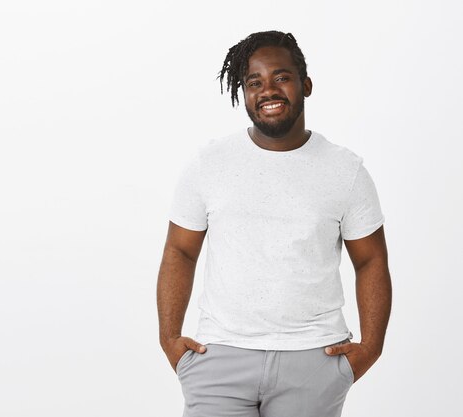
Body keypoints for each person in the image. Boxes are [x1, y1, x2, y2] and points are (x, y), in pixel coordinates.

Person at [156, 30, 391, 417]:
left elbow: (371, 261)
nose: (268, 91)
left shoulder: (345, 171)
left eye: (280, 77)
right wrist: (169, 339)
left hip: (314, 359)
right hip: (219, 357)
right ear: (243, 93)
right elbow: (179, 250)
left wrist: (370, 348)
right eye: (254, 82)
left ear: (306, 85)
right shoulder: (210, 164)